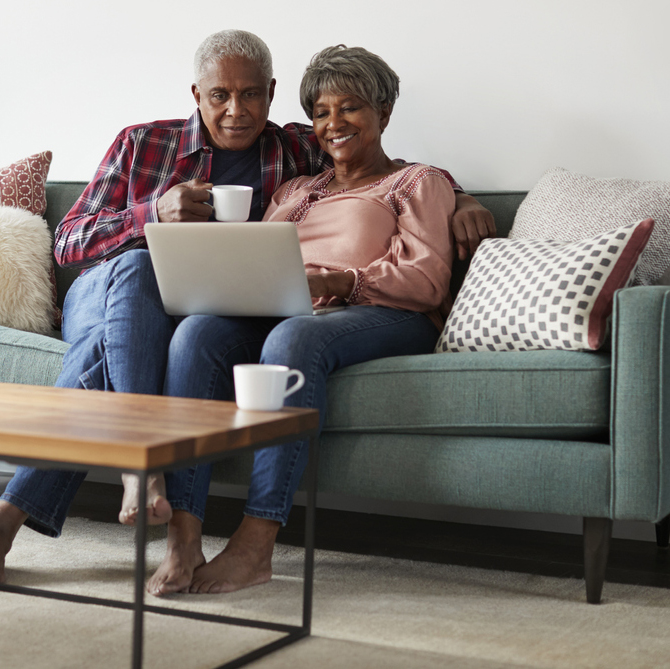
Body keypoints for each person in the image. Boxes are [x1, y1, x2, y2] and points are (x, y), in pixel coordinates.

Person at [0, 31, 494, 585]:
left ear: (271, 94)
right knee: (140, 275)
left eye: (253, 95)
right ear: (196, 94)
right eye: (220, 96)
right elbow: (67, 243)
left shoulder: (294, 153)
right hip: (109, 286)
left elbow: (394, 171)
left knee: (186, 335)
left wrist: (463, 198)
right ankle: (145, 464)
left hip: (233, 309)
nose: (237, 110)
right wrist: (151, 216)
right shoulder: (146, 144)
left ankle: (31, 513)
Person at [146, 44, 459, 595]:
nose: (333, 124)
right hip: (293, 308)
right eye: (320, 113)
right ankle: (184, 531)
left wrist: (339, 281)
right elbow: (260, 258)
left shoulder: (417, 183)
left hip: (384, 313)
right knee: (197, 333)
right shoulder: (295, 188)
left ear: (383, 114)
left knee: (294, 335)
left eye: (351, 108)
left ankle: (255, 545)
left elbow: (428, 279)